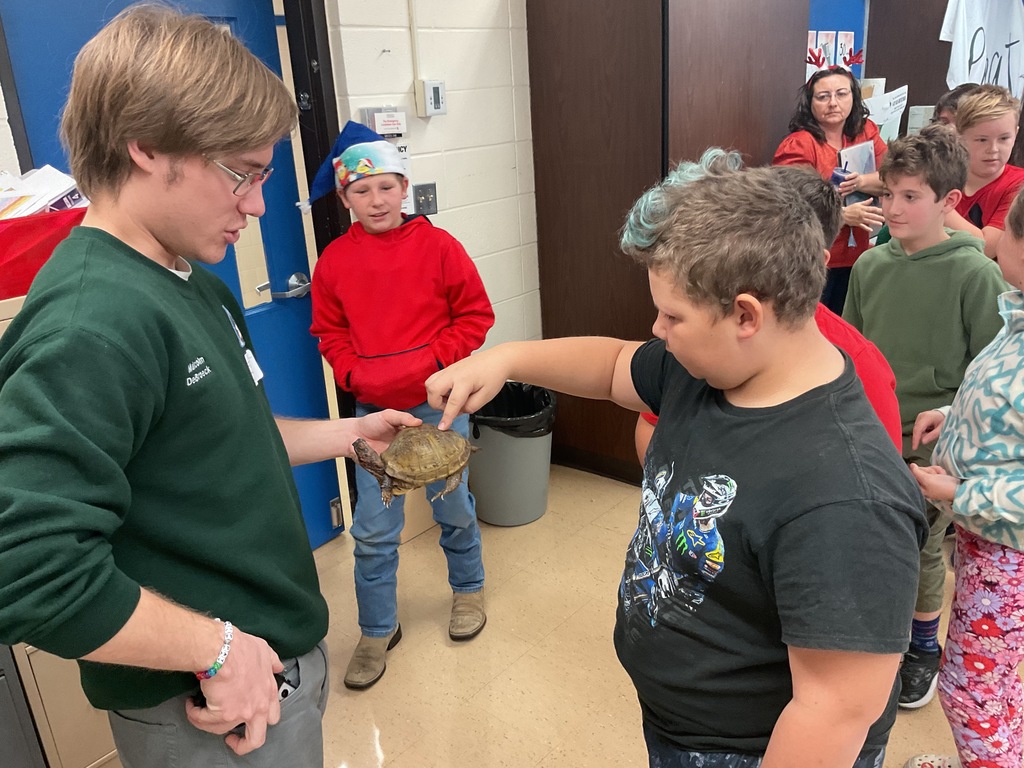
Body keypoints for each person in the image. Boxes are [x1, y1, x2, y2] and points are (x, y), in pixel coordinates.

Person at [0, 6, 423, 768]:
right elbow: (24, 566)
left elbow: (230, 435)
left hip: (268, 663)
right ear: (146, 146)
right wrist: (218, 648)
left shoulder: (189, 277)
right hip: (210, 707)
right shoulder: (92, 320)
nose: (257, 205)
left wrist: (352, 434)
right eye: (242, 174)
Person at [427, 165, 927, 767]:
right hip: (677, 723)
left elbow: (835, 709)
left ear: (746, 316)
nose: (657, 329)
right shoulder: (707, 370)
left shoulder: (847, 495)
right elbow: (614, 366)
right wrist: (506, 359)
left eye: (672, 316)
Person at [307, 121, 495, 691]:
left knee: (453, 507)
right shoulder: (334, 261)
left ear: (405, 187)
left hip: (441, 406)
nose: (376, 200)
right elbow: (329, 333)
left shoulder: (440, 247)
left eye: (386, 187)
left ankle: (468, 590)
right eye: (361, 190)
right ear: (344, 198)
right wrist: (354, 374)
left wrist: (434, 362)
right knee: (373, 529)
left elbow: (476, 316)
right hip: (373, 416)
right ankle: (376, 629)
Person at [843, 123, 1008, 711]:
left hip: (933, 445)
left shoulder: (976, 273)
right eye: (888, 194)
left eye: (910, 196)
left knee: (921, 546)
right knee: (865, 539)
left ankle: (920, 647)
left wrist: (948, 419)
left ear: (948, 201)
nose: (893, 208)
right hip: (869, 434)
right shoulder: (869, 267)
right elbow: (852, 352)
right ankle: (873, 636)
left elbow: (990, 378)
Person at [634, 157, 901, 463]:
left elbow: (877, 470)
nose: (660, 327)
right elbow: (648, 417)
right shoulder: (699, 337)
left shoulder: (859, 366)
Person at [902, 186, 1024, 768]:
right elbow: (1007, 411)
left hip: (1009, 555)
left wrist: (961, 493)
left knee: (971, 694)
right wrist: (951, 415)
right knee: (998, 686)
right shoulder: (1016, 315)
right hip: (985, 538)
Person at [773, 64, 887, 315]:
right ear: (810, 103)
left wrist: (860, 182)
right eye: (823, 96)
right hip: (815, 258)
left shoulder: (867, 131)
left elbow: (893, 178)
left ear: (853, 97)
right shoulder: (799, 144)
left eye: (841, 94)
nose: (833, 103)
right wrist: (842, 216)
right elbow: (786, 205)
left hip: (860, 253)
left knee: (850, 322)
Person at [941, 85, 1024, 259]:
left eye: (1004, 138)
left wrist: (936, 203)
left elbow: (986, 248)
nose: (993, 149)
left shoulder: (1019, 185)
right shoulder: (943, 174)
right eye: (981, 140)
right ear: (959, 137)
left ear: (1015, 134)